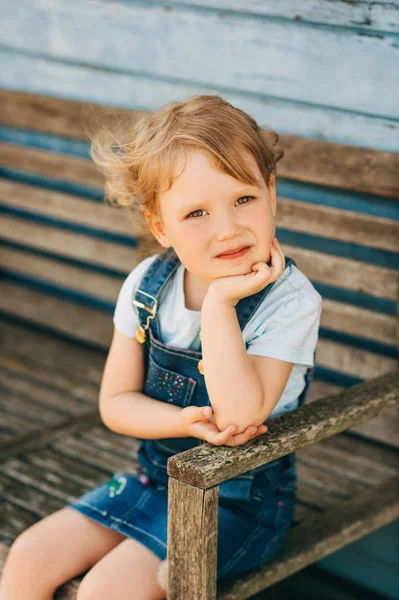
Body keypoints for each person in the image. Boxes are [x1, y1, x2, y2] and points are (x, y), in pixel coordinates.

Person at [0, 94, 322, 600]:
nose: (228, 227)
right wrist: (178, 422)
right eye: (196, 212)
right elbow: (115, 403)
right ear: (160, 226)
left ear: (271, 193)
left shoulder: (289, 302)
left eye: (244, 199)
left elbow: (239, 415)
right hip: (155, 480)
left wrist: (219, 306)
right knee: (28, 556)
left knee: (106, 591)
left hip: (238, 502)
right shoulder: (148, 286)